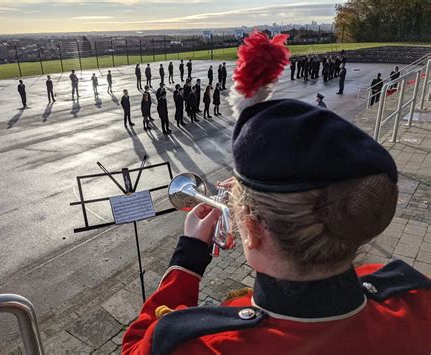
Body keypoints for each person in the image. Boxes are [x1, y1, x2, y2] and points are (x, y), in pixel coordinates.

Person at [123, 32, 431, 355]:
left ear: (253, 231)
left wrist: (188, 257)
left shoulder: (199, 346)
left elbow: (136, 345)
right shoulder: (416, 301)